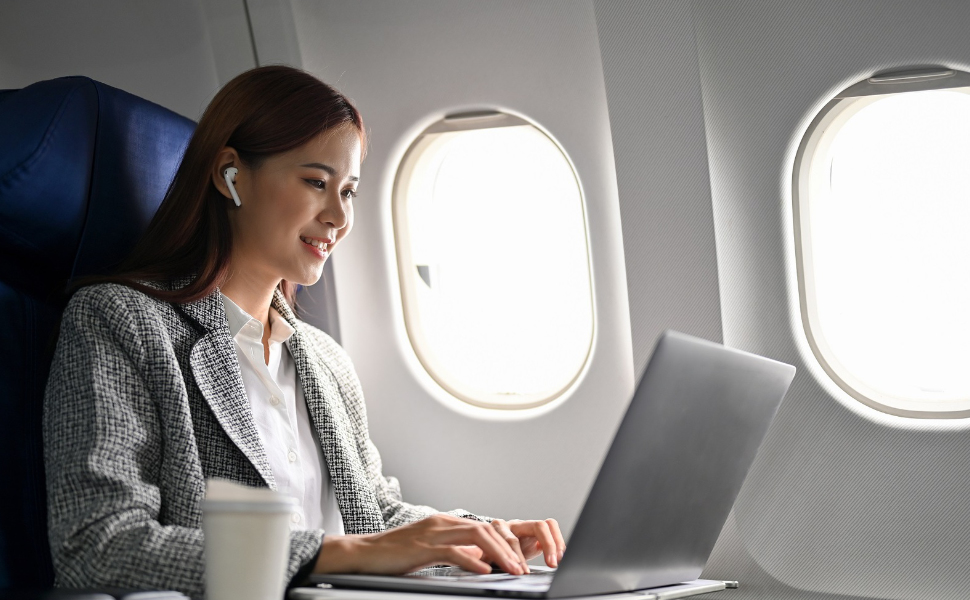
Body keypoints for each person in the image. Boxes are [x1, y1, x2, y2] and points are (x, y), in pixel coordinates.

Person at [42, 65, 565, 599]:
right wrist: (342, 554)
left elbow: (374, 515)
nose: (339, 216)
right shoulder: (119, 321)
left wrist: (482, 537)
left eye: (351, 191)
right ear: (231, 175)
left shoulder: (324, 359)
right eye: (317, 182)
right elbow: (98, 547)